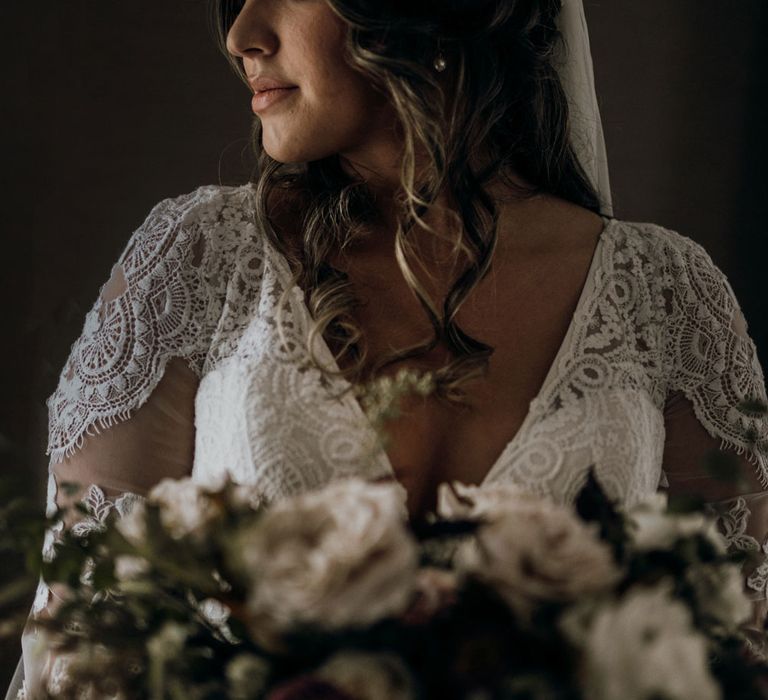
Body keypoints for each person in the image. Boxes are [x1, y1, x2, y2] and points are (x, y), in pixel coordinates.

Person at [8, 0, 767, 695]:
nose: (242, 36)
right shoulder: (199, 260)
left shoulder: (666, 292)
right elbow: (79, 652)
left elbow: (742, 648)